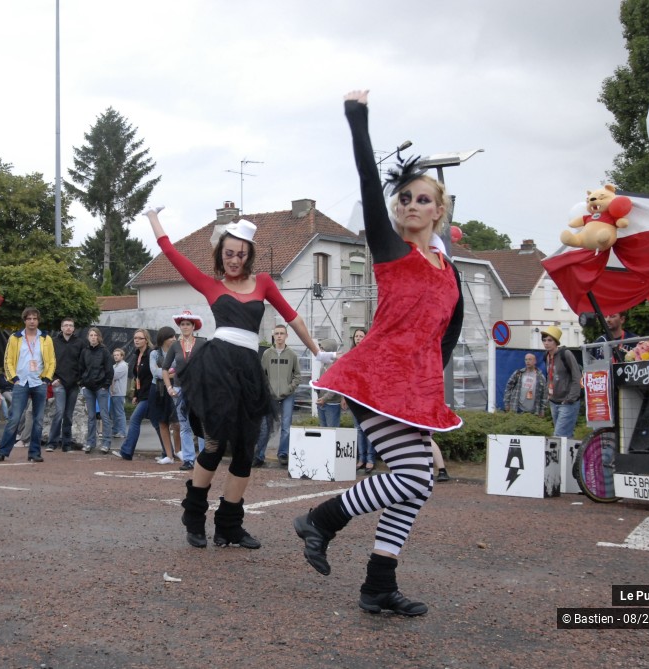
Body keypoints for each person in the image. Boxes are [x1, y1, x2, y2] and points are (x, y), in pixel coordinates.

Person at [293, 90, 465, 617]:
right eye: (404, 199)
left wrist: (429, 405)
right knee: (412, 475)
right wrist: (357, 117)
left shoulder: (450, 270)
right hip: (373, 378)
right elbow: (371, 179)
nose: (410, 205)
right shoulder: (393, 253)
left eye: (421, 199)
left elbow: (447, 336)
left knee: (417, 485)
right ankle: (322, 520)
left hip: (413, 387)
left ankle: (378, 585)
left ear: (440, 210)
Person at [145, 206, 331, 551]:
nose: (234, 260)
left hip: (248, 370)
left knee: (245, 452)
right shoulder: (211, 285)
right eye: (229, 254)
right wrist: (153, 218)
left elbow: (293, 318)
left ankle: (230, 526)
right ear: (221, 254)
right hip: (217, 369)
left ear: (249, 256)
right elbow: (171, 253)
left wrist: (317, 352)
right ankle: (194, 519)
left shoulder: (263, 283)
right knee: (214, 445)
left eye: (240, 255)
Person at [0, 307, 55, 463]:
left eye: (35, 318)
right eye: (29, 318)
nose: (32, 321)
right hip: (21, 382)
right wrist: (14, 378)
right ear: (25, 320)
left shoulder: (46, 338)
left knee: (38, 420)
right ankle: (2, 451)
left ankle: (34, 452)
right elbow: (7, 359)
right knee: (14, 418)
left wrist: (46, 379)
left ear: (38, 320)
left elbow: (52, 360)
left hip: (39, 382)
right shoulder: (15, 338)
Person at [163, 311, 206, 472]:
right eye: (183, 324)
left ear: (193, 326)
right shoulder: (175, 345)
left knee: (201, 423)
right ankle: (188, 459)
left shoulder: (201, 343)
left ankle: (204, 458)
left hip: (198, 389)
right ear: (179, 327)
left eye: (188, 324)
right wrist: (169, 387)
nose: (185, 327)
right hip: (180, 389)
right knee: (184, 425)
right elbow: (165, 368)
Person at [254, 324, 301, 468]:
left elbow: (297, 376)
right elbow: (262, 375)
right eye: (277, 333)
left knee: (286, 426)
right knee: (266, 427)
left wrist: (289, 388)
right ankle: (259, 455)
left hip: (288, 395)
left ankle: (282, 454)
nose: (279, 336)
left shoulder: (292, 354)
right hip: (271, 396)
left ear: (286, 336)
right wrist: (268, 390)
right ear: (274, 336)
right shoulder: (267, 354)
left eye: (282, 333)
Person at [112, 329, 162, 460]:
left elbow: (156, 374)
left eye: (140, 338)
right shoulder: (137, 355)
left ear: (146, 340)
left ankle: (127, 452)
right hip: (143, 394)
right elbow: (138, 377)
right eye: (135, 338)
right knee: (157, 424)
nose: (136, 340)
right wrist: (136, 394)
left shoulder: (152, 354)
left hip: (151, 394)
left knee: (134, 420)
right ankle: (168, 452)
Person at [47, 317, 84, 452]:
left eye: (71, 325)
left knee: (68, 415)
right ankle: (52, 443)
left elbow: (83, 363)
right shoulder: (53, 342)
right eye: (66, 325)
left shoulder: (80, 343)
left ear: (74, 328)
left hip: (74, 384)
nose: (68, 327)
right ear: (61, 328)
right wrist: (52, 379)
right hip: (59, 383)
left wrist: (80, 380)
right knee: (59, 412)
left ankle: (66, 444)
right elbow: (49, 362)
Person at [541, 325, 581, 439]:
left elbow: (576, 376)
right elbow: (550, 376)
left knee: (559, 436)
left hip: (567, 402)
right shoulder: (546, 356)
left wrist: (570, 398)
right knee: (566, 437)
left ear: (556, 342)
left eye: (550, 340)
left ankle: (563, 457)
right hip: (554, 401)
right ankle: (572, 457)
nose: (546, 343)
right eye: (544, 340)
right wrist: (548, 395)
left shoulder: (566, 354)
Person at [80, 327, 113, 454]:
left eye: (95, 335)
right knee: (90, 416)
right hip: (88, 387)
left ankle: (106, 442)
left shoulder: (104, 351)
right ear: (88, 337)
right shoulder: (85, 351)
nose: (93, 337)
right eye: (91, 335)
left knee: (104, 415)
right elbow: (81, 368)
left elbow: (109, 369)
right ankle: (90, 442)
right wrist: (82, 383)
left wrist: (106, 384)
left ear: (99, 337)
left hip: (101, 387)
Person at [347, 327, 375, 473]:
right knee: (358, 429)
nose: (358, 338)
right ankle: (361, 458)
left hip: (368, 397)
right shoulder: (350, 355)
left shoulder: (371, 354)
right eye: (356, 336)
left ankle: (370, 459)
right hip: (354, 397)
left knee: (369, 428)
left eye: (361, 336)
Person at [150, 326, 178, 465]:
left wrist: (165, 373)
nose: (174, 339)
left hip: (175, 389)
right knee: (162, 422)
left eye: (174, 336)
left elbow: (181, 370)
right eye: (171, 337)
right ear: (163, 338)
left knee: (178, 422)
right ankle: (168, 455)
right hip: (158, 390)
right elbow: (155, 373)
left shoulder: (177, 352)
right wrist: (169, 373)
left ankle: (179, 451)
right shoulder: (154, 354)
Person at [315, 339, 342, 428]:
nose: (320, 351)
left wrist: (324, 398)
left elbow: (334, 387)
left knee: (332, 432)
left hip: (332, 404)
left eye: (322, 349)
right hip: (322, 402)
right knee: (324, 432)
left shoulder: (336, 365)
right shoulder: (324, 365)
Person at [110, 348, 128, 440]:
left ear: (122, 356)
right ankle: (116, 430)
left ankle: (122, 432)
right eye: (115, 355)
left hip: (119, 393)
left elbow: (113, 376)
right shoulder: (114, 366)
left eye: (118, 355)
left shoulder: (123, 366)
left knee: (119, 413)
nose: (116, 356)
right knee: (113, 413)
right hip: (113, 393)